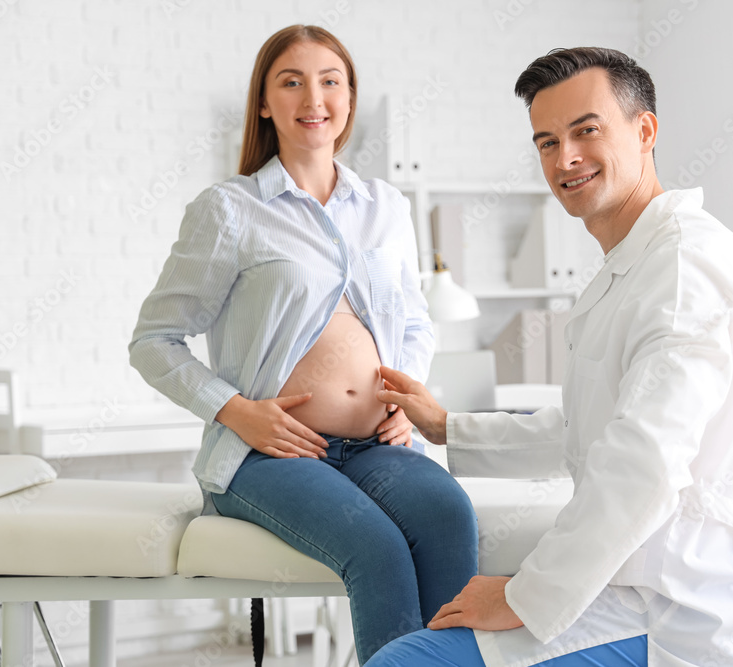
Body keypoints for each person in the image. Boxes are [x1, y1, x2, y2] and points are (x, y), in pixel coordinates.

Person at [366, 47, 733, 666]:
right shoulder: (632, 266)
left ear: (644, 130)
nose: (564, 158)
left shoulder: (681, 270)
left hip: (683, 610)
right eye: (546, 141)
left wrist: (525, 595)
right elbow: (588, 432)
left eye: (585, 131)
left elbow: (642, 464)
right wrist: (445, 427)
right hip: (635, 589)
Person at [128, 25, 478, 664]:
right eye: (291, 81)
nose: (313, 97)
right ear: (264, 102)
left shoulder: (386, 207)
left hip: (376, 444)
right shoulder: (229, 210)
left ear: (349, 98)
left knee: (448, 515)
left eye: (330, 81)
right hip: (266, 457)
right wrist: (237, 412)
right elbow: (154, 341)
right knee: (375, 547)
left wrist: (406, 395)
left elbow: (417, 323)